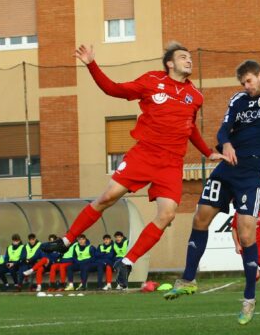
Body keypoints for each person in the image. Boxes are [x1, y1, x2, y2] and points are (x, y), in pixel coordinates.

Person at [42, 43, 227, 289]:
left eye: (190, 57)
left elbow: (189, 127)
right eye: (183, 57)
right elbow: (114, 89)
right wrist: (91, 64)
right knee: (107, 197)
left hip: (171, 163)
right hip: (144, 154)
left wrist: (207, 152)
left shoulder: (196, 95)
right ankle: (67, 240)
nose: (189, 60)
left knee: (167, 214)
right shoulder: (151, 81)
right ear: (170, 63)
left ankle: (127, 261)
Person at [163, 60, 260, 325]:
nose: (246, 87)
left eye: (249, 81)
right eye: (243, 83)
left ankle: (249, 299)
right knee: (200, 218)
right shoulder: (238, 100)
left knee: (245, 233)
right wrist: (226, 144)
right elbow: (223, 130)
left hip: (253, 172)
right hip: (228, 167)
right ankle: (188, 279)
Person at [231, 209, 260, 304]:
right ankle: (250, 298)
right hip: (247, 247)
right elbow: (234, 229)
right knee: (254, 274)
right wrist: (237, 245)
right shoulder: (239, 213)